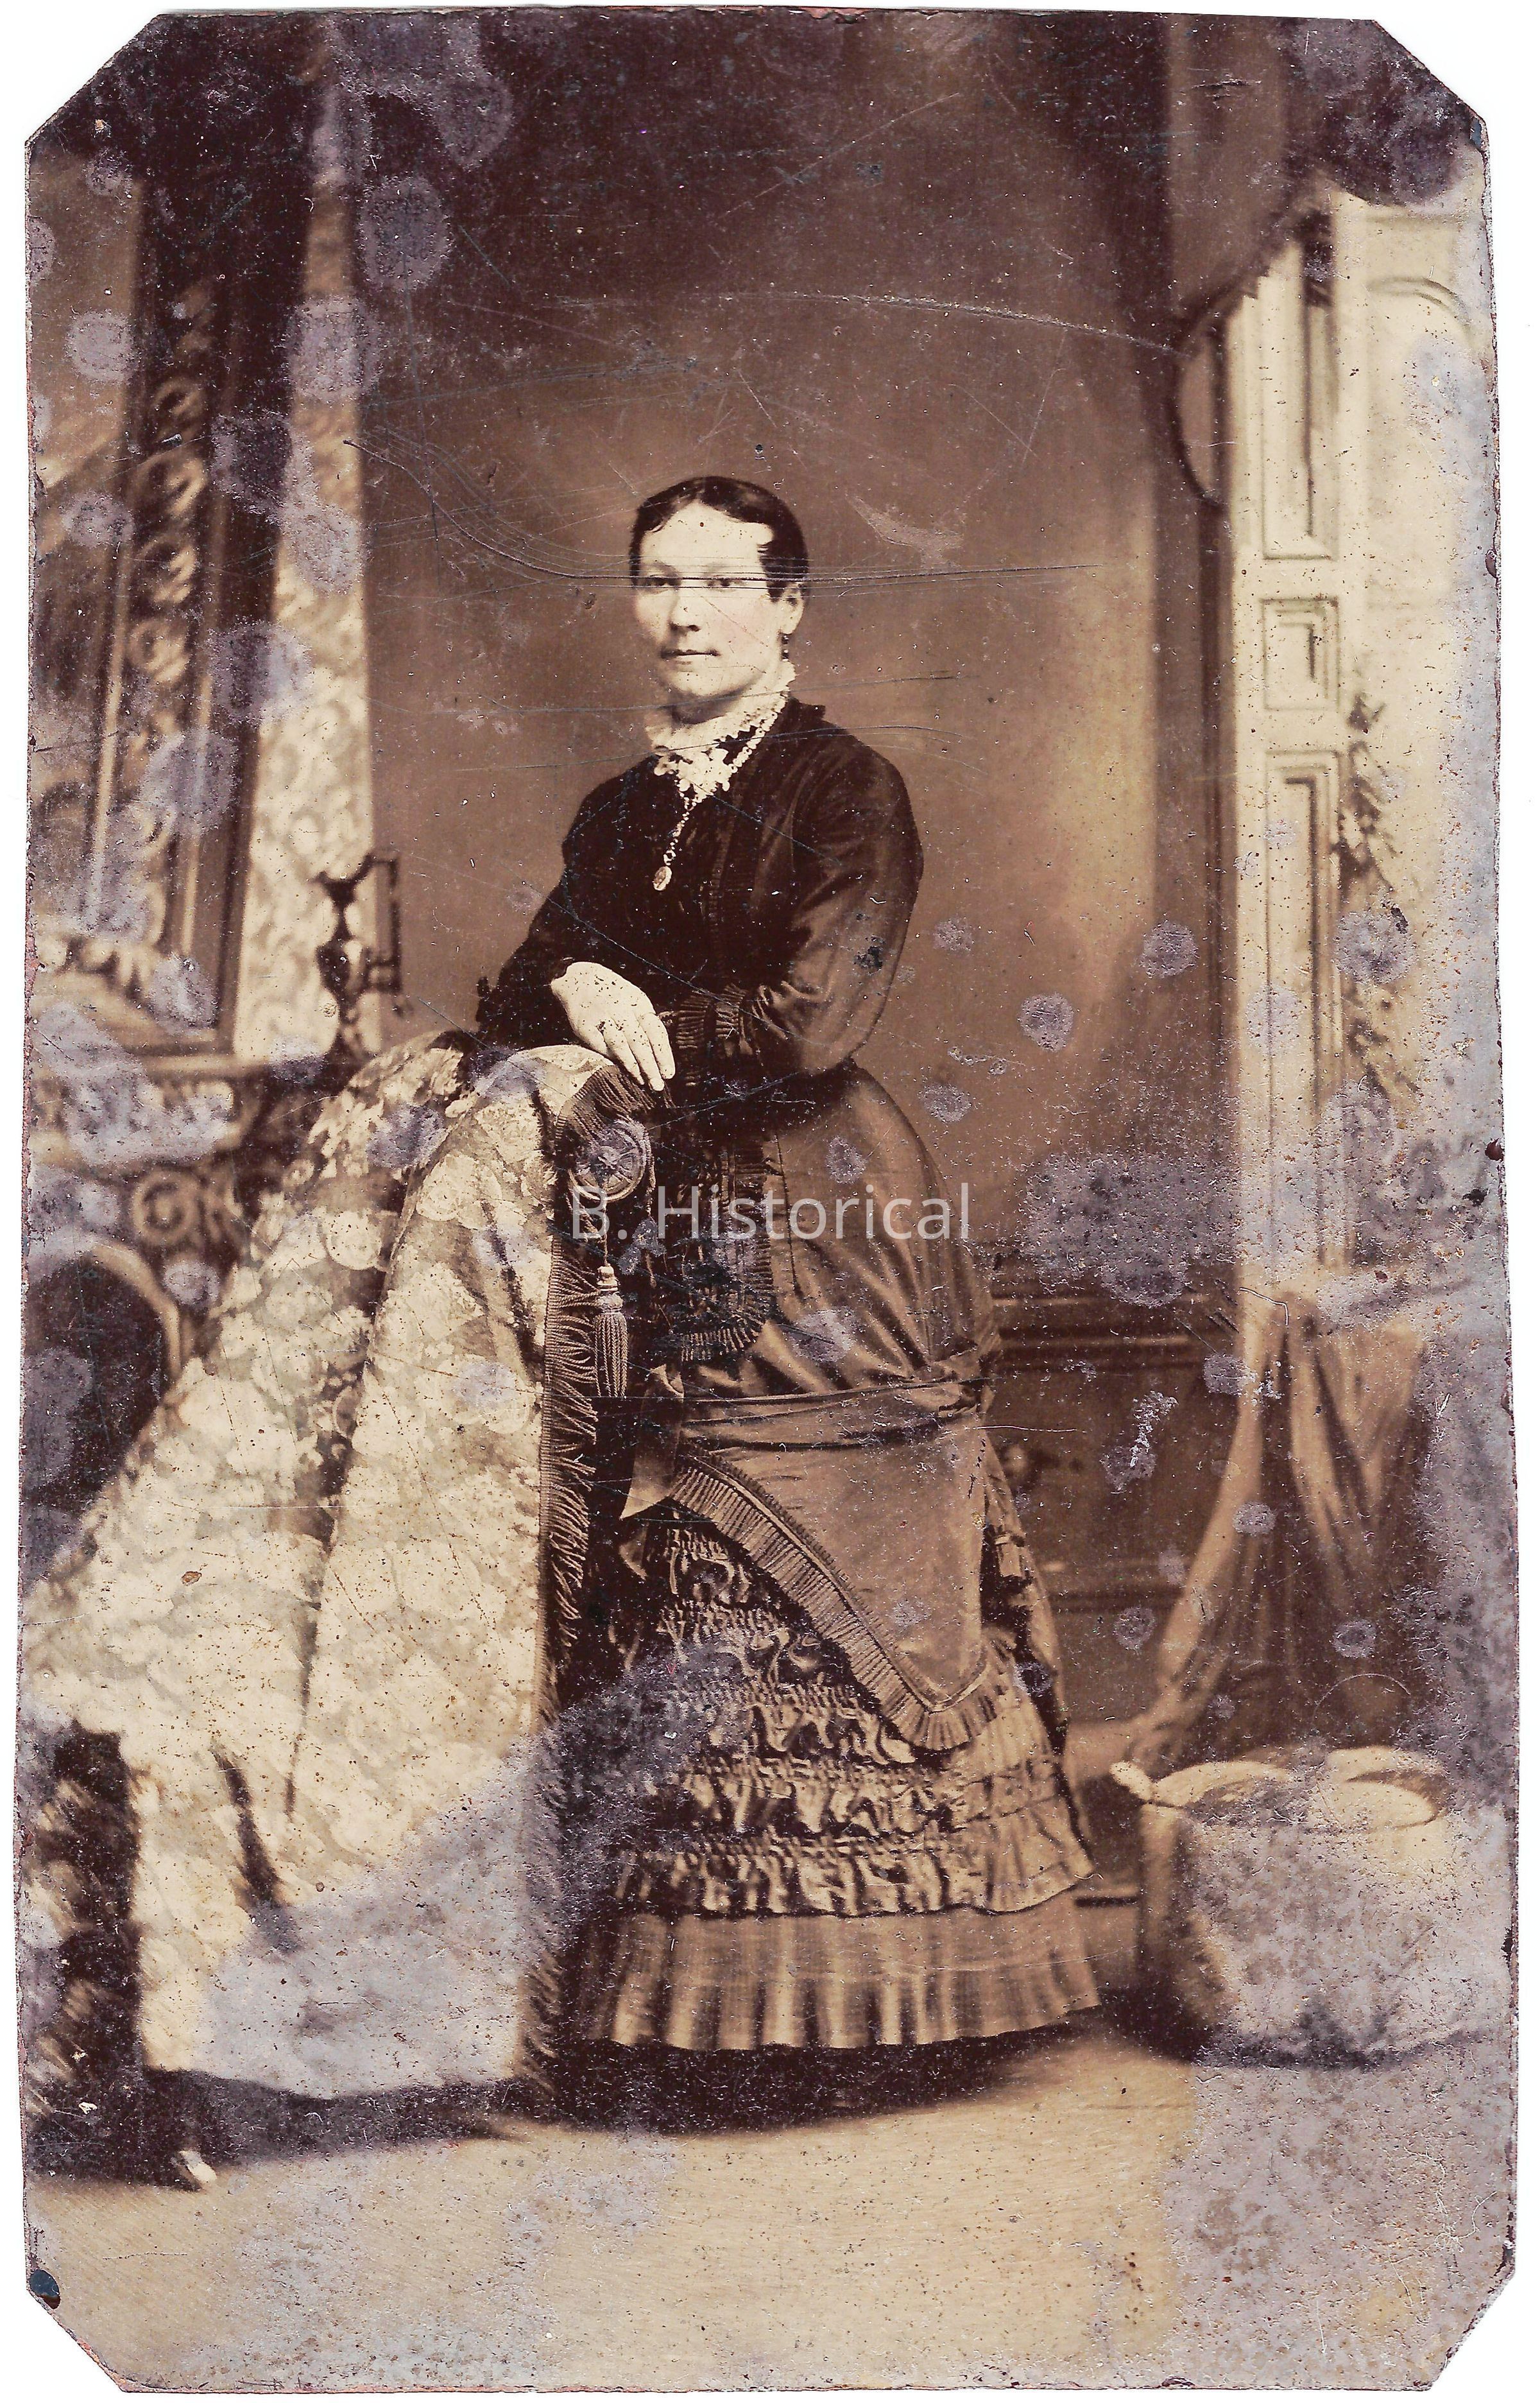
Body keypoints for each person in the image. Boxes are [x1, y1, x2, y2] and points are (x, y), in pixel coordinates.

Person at [477, 476, 1097, 2074]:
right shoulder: (623, 808)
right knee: (663, 1535)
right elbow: (513, 993)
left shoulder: (845, 790)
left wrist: (641, 1027)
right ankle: (695, 2011)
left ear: (788, 608)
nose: (684, 613)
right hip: (651, 1209)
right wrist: (582, 974)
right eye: (657, 581)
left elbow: (811, 1026)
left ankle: (885, 2005)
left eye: (721, 584)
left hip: (818, 1213)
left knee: (792, 1519)